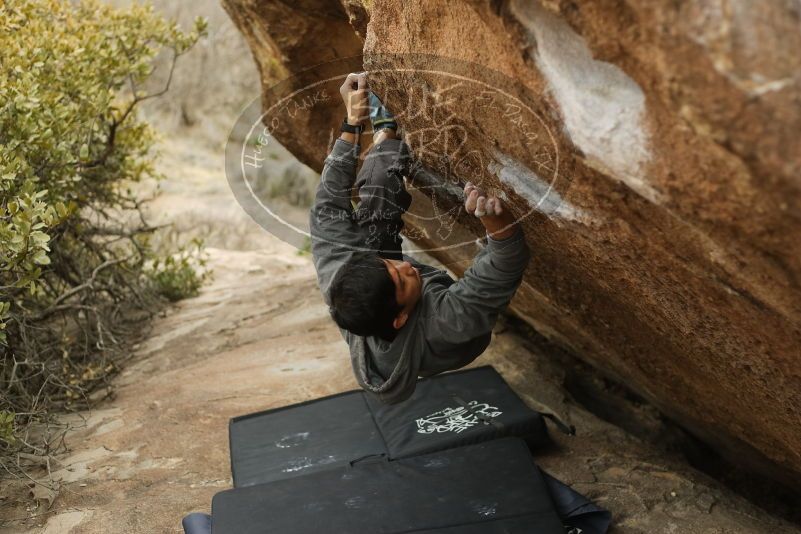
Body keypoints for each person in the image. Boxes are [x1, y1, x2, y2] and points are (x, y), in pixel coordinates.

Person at [310, 72, 530, 404]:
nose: (407, 268)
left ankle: (385, 138)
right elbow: (504, 266)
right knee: (466, 291)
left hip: (388, 297)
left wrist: (353, 122)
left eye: (390, 264)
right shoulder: (446, 323)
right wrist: (495, 222)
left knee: (377, 199)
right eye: (401, 281)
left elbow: (327, 205)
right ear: (399, 317)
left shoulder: (343, 277)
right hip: (456, 338)